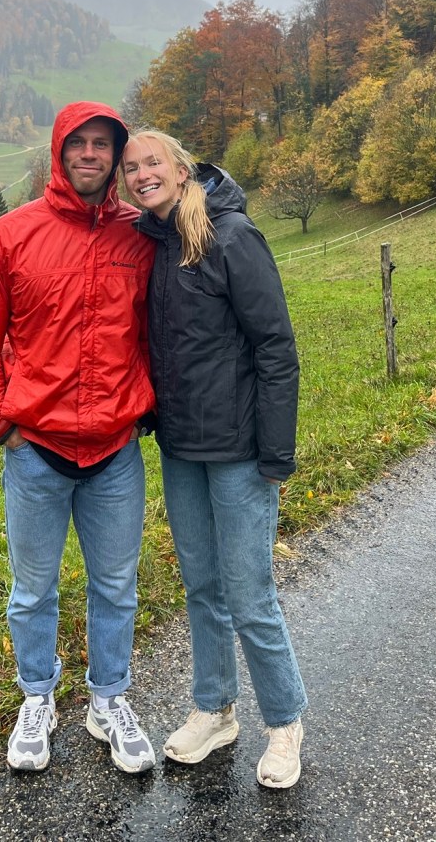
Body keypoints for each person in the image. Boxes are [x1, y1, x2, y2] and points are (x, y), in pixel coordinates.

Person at [0, 102, 157, 775]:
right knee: (33, 589)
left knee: (117, 585)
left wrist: (146, 405)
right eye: (80, 143)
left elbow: (165, 323)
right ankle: (37, 696)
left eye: (104, 144)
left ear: (114, 155)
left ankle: (109, 697)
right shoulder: (9, 236)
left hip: (115, 452)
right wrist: (0, 422)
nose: (91, 154)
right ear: (59, 151)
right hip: (35, 448)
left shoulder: (139, 237)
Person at [122, 129, 308, 789]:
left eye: (151, 162)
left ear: (178, 168)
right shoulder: (156, 242)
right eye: (130, 167)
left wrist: (275, 455)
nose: (141, 174)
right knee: (201, 586)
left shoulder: (231, 235)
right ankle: (215, 708)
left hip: (238, 453)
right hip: (181, 448)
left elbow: (276, 349)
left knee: (249, 593)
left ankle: (284, 723)